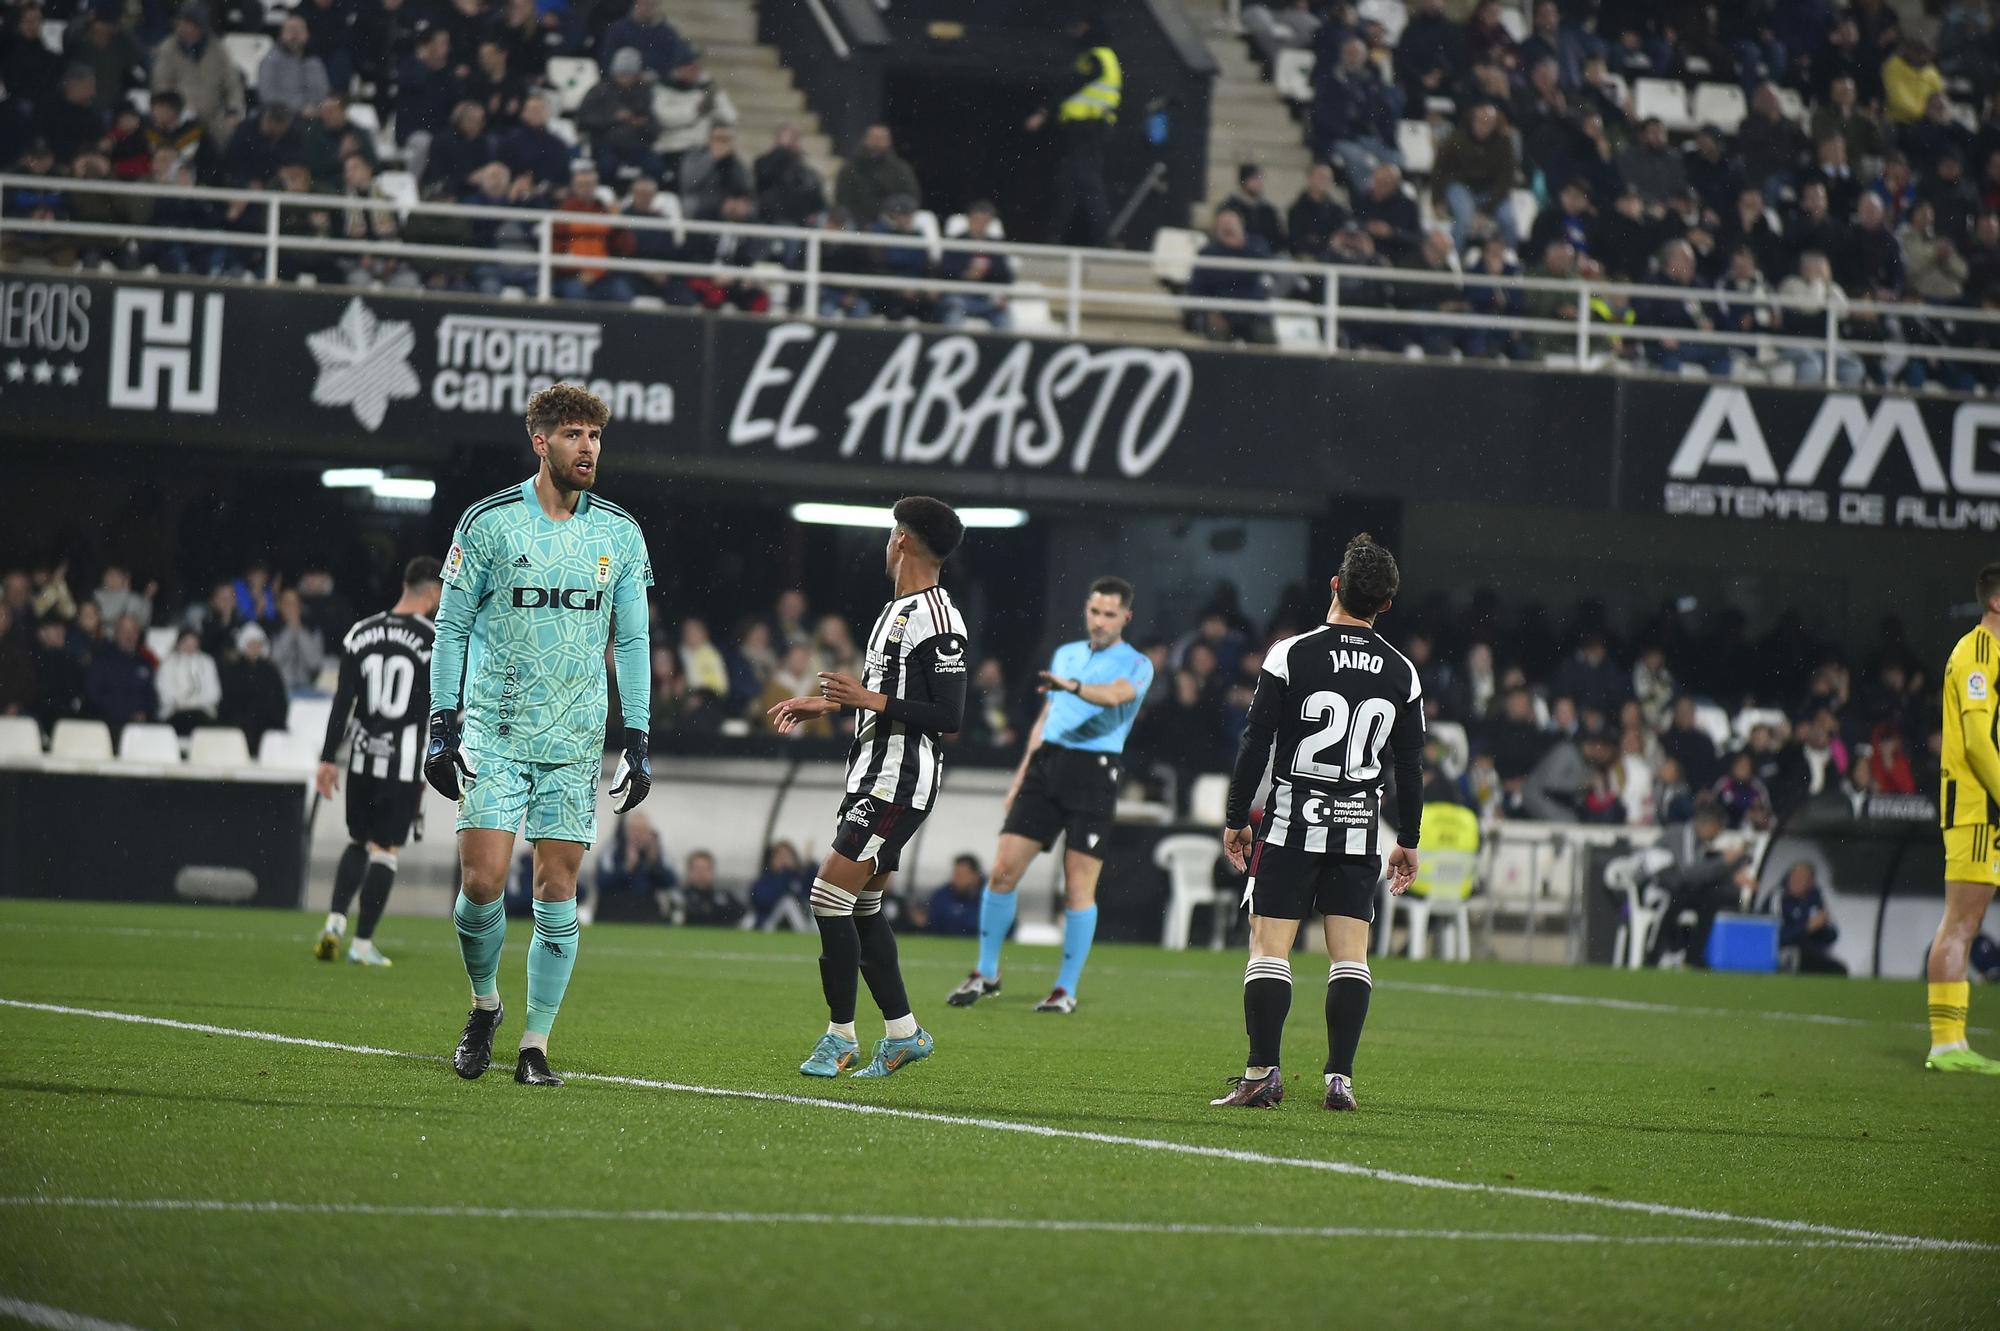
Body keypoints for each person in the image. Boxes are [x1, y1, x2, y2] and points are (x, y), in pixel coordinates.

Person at [424, 384, 655, 1089]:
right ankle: (484, 1004)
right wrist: (441, 723)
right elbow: (452, 628)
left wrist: (638, 734)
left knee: (557, 887)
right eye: (575, 435)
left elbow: (634, 637)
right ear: (541, 442)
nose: (588, 448)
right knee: (482, 881)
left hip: (575, 740)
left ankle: (534, 1043)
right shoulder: (489, 523)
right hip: (495, 731)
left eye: (595, 437)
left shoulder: (619, 531)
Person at [1213, 534, 1424, 1112]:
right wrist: (1409, 840)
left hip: (1291, 826)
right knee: (1350, 955)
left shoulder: (1291, 654)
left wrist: (1236, 817)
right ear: (1385, 605)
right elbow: (1409, 764)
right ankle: (1340, 1079)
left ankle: (1262, 1074)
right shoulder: (1403, 672)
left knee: (1269, 946)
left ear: (1335, 585)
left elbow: (1255, 742)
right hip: (1359, 829)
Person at [765, 497, 968, 1080]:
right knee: (862, 908)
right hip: (871, 776)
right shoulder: (896, 610)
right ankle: (904, 1033)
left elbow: (948, 714)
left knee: (827, 896)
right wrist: (825, 703)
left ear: (902, 540)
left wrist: (867, 699)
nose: (886, 543)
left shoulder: (940, 619)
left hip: (899, 783)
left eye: (889, 534)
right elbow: (881, 692)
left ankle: (840, 1038)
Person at [948, 577, 1153, 1014]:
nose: (1099, 621)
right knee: (1003, 870)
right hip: (1046, 769)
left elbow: (1116, 695)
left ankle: (1065, 988)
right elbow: (1047, 717)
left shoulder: (1136, 663)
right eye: (1094, 612)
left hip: (1094, 773)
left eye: (1109, 614)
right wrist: (1021, 775)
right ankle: (986, 972)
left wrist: (1074, 688)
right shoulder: (1067, 655)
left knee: (1078, 885)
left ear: (1126, 617)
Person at [312, 557, 442, 968]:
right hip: (401, 762)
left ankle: (334, 922)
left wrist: (327, 758)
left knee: (357, 840)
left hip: (363, 757)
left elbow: (342, 702)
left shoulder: (360, 633)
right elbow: (435, 706)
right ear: (431, 593)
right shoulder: (433, 639)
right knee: (385, 849)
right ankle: (362, 944)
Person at [1924, 562, 2000, 1073]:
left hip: (1988, 804)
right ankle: (1947, 1044)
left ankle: (1950, 1043)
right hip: (1977, 806)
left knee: (1965, 921)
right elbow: (1976, 743)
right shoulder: (1974, 652)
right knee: (1962, 920)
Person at [1027, 17, 1120, 245]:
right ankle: (1056, 236)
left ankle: (1103, 238)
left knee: (1088, 183)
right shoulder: (1093, 57)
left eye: (1080, 29)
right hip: (1080, 129)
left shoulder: (1097, 57)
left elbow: (1073, 84)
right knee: (1069, 183)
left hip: (1090, 127)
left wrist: (1044, 111)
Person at [1777, 861, 1846, 975]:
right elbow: (1775, 937)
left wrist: (1823, 926)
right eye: (1794, 876)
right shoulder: (1778, 899)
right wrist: (1806, 928)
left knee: (1839, 970)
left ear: (1811, 881)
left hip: (1813, 954)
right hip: (1786, 953)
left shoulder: (1816, 899)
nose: (1796, 880)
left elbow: (1832, 935)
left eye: (1802, 877)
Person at [155, 628, 222, 735]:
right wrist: (182, 703)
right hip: (175, 711)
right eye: (186, 642)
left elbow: (214, 693)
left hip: (202, 712)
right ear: (178, 643)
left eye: (193, 643)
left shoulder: (207, 662)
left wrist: (196, 703)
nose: (189, 647)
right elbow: (165, 693)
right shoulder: (168, 663)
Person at [925, 855, 985, 937]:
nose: (957, 879)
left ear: (975, 876)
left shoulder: (988, 898)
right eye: (955, 874)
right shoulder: (941, 896)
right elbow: (933, 925)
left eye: (961, 875)